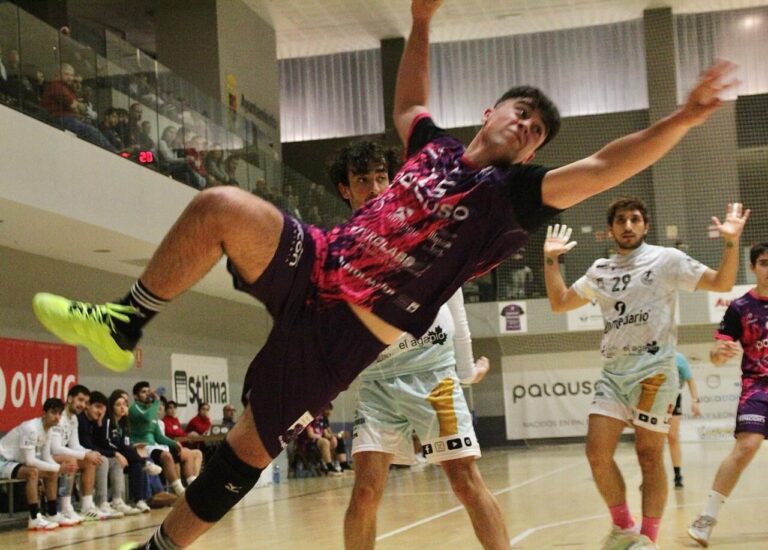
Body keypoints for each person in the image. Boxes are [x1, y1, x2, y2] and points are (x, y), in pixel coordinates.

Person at [32, 0, 738, 546]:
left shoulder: (512, 197)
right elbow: (408, 103)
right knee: (220, 204)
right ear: (491, 112)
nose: (526, 128)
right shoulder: (430, 151)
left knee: (244, 448)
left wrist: (682, 117)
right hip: (316, 262)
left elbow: (609, 163)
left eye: (537, 132)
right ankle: (124, 321)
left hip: (346, 336)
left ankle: (159, 548)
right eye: (521, 114)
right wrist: (421, 19)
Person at [327, 138, 507, 548]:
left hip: (434, 376)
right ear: (345, 189)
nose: (374, 188)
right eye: (362, 180)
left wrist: (464, 370)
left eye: (380, 178)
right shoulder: (337, 249)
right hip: (377, 383)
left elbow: (454, 298)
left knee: (464, 480)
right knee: (366, 491)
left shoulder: (423, 228)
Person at [541, 197, 749, 549]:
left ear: (645, 226)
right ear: (610, 230)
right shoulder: (600, 270)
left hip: (655, 371)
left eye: (635, 219)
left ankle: (648, 541)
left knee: (649, 455)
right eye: (620, 220)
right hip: (614, 373)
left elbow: (722, 283)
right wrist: (550, 259)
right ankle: (623, 528)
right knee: (596, 453)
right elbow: (560, 302)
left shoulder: (667, 259)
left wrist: (731, 241)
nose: (627, 225)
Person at [687, 243, 768, 547]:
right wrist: (718, 354)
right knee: (746, 446)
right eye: (763, 263)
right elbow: (717, 354)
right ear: (752, 267)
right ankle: (706, 519)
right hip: (757, 387)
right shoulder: (739, 307)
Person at [0, 398, 79, 530]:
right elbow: (30, 461)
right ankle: (34, 518)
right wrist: (59, 467)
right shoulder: (30, 428)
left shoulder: (49, 430)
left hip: (14, 462)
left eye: (60, 414)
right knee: (33, 472)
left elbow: (47, 457)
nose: (57, 417)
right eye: (54, 413)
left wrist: (57, 469)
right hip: (2, 460)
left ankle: (52, 513)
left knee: (51, 471)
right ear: (44, 413)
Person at [50, 384, 110, 521]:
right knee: (71, 460)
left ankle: (87, 507)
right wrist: (84, 454)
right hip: (45, 456)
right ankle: (65, 508)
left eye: (85, 402)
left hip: (59, 455)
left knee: (90, 461)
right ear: (70, 398)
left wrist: (90, 453)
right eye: (80, 400)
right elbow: (55, 448)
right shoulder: (59, 417)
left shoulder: (74, 419)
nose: (82, 405)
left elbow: (75, 445)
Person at [128, 382, 200, 497]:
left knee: (187, 453)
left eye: (148, 391)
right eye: (143, 392)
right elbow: (147, 418)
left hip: (155, 446)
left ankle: (194, 487)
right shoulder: (134, 408)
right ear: (136, 396)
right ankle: (180, 491)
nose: (147, 394)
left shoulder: (151, 413)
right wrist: (156, 401)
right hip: (142, 447)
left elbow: (159, 437)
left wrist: (174, 443)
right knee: (166, 456)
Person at [78, 390, 140, 516]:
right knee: (104, 460)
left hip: (90, 454)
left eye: (102, 408)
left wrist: (99, 424)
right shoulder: (82, 421)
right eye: (97, 407)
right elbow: (89, 446)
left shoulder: (95, 422)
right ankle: (102, 502)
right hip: (80, 455)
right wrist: (114, 453)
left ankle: (117, 500)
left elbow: (96, 445)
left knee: (115, 462)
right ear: (88, 405)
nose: (100, 412)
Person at [106, 389, 160, 513]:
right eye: (118, 405)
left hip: (124, 457)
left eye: (125, 404)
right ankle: (146, 463)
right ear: (111, 407)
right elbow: (109, 444)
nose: (122, 407)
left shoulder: (124, 425)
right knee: (136, 459)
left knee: (136, 464)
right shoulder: (108, 423)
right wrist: (118, 454)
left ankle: (139, 500)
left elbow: (125, 446)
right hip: (111, 455)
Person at [668, 351, 701, 488]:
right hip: (654, 399)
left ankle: (677, 475)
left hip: (673, 398)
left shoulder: (678, 358)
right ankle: (648, 477)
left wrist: (695, 401)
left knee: (673, 437)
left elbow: (690, 380)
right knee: (653, 439)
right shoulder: (650, 355)